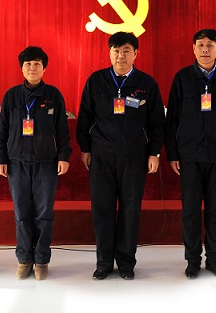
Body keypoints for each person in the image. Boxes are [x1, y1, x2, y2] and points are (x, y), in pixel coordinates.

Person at [76, 32, 165, 280]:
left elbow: (157, 122)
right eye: (116, 50)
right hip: (101, 156)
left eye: (126, 50)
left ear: (135, 53)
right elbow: (85, 118)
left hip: (135, 156)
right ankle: (104, 263)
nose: (120, 55)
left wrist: (154, 152)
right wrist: (85, 149)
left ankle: (126, 263)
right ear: (109, 53)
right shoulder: (96, 80)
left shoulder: (146, 83)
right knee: (102, 210)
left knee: (130, 210)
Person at [164, 29, 216, 280]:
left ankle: (215, 260)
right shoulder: (182, 78)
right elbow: (171, 118)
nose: (205, 49)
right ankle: (192, 261)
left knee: (215, 210)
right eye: (200, 45)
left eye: (210, 45)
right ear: (194, 49)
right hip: (189, 155)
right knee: (190, 211)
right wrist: (173, 153)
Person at [0, 46, 71, 281]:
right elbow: (2, 130)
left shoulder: (53, 95)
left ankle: (41, 260)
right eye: (28, 64)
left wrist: (64, 156)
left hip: (46, 163)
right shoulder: (11, 96)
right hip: (16, 163)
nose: (32, 68)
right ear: (22, 68)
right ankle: (24, 259)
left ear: (44, 68)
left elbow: (62, 129)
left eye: (37, 64)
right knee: (21, 213)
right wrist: (1, 158)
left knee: (44, 213)